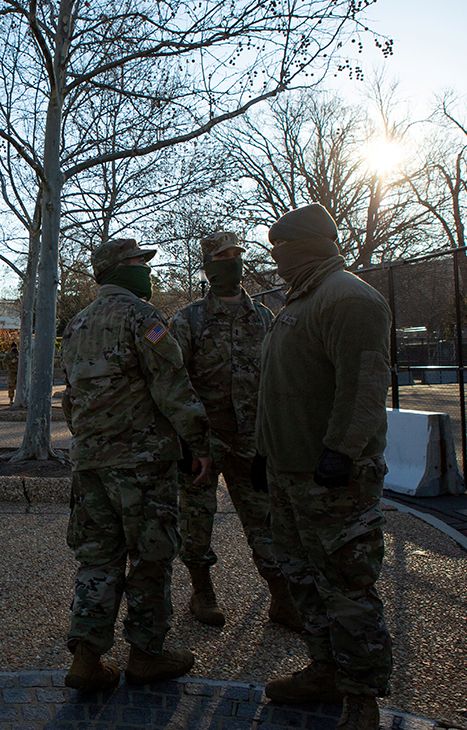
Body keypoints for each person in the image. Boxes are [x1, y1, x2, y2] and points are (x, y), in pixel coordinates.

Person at [256, 204, 392, 730]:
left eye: (281, 247)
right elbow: (280, 390)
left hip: (332, 478)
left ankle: (362, 699)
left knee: (347, 584)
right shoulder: (299, 301)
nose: (275, 257)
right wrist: (266, 455)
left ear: (309, 245)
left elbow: (363, 386)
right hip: (291, 474)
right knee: (303, 578)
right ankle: (326, 669)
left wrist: (342, 450)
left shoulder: (350, 298)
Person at [60, 238, 213, 693]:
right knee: (151, 557)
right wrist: (199, 442)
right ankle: (147, 653)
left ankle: (87, 658)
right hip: (141, 465)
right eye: (137, 262)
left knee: (97, 559)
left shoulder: (77, 324)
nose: (146, 270)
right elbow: (171, 385)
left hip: (90, 464)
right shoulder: (143, 318)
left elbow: (72, 398)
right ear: (116, 269)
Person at [170, 232, 302, 632]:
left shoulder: (263, 317)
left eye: (236, 256)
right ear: (208, 267)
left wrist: (273, 437)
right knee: (197, 519)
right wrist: (187, 441)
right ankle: (201, 592)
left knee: (265, 519)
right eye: (222, 257)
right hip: (203, 440)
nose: (231, 262)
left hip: (252, 441)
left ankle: (281, 597)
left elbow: (279, 377)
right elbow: (175, 383)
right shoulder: (188, 319)